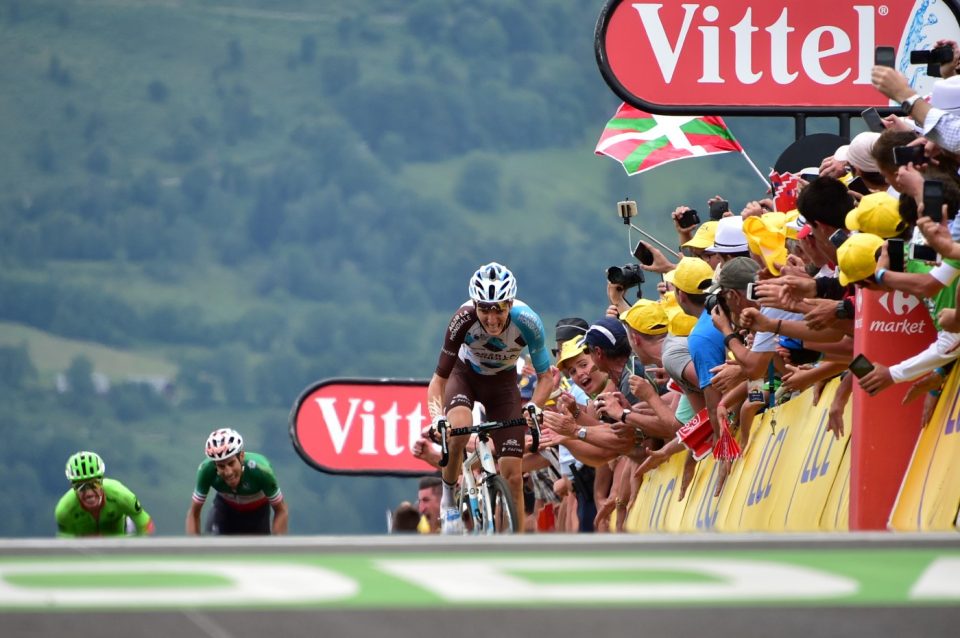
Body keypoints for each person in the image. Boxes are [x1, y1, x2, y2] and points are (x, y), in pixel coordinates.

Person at [428, 262, 553, 534]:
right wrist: (437, 418)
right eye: (484, 309)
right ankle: (448, 500)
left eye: (499, 309)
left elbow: (546, 377)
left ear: (510, 304)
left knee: (514, 476)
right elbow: (439, 380)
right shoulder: (462, 319)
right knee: (459, 431)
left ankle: (514, 543)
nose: (492, 318)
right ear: (475, 305)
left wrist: (535, 406)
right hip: (465, 377)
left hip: (502, 386)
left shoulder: (527, 321)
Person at [186, 427, 288, 535]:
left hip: (257, 513)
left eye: (231, 463)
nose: (228, 472)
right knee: (213, 543)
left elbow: (281, 510)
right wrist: (194, 544)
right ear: (214, 465)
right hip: (224, 509)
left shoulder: (261, 469)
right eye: (221, 466)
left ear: (241, 456)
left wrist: (277, 542)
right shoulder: (206, 470)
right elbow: (193, 513)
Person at [55, 451, 155, 537]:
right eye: (80, 487)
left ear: (102, 481)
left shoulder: (121, 495)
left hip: (122, 542)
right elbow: (64, 545)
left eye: (94, 484)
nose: (89, 493)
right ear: (72, 487)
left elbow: (146, 524)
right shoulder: (64, 510)